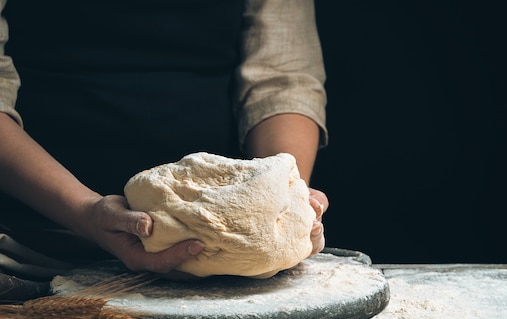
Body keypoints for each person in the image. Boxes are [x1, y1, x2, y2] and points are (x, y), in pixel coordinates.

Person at [0, 0, 328, 278]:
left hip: (213, 250)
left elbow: (282, 78)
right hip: (33, 241)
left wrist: (284, 198)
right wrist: (85, 212)